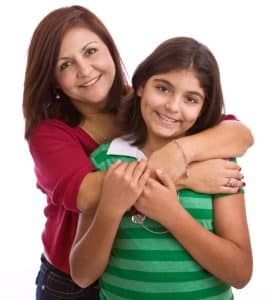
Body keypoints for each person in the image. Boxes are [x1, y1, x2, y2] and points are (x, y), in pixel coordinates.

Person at [22, 5, 253, 300]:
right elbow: (88, 195)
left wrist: (182, 151)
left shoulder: (146, 103)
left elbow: (238, 134)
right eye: (65, 64)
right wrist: (183, 175)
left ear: (110, 49)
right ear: (52, 78)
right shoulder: (51, 134)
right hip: (70, 283)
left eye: (91, 51)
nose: (84, 70)